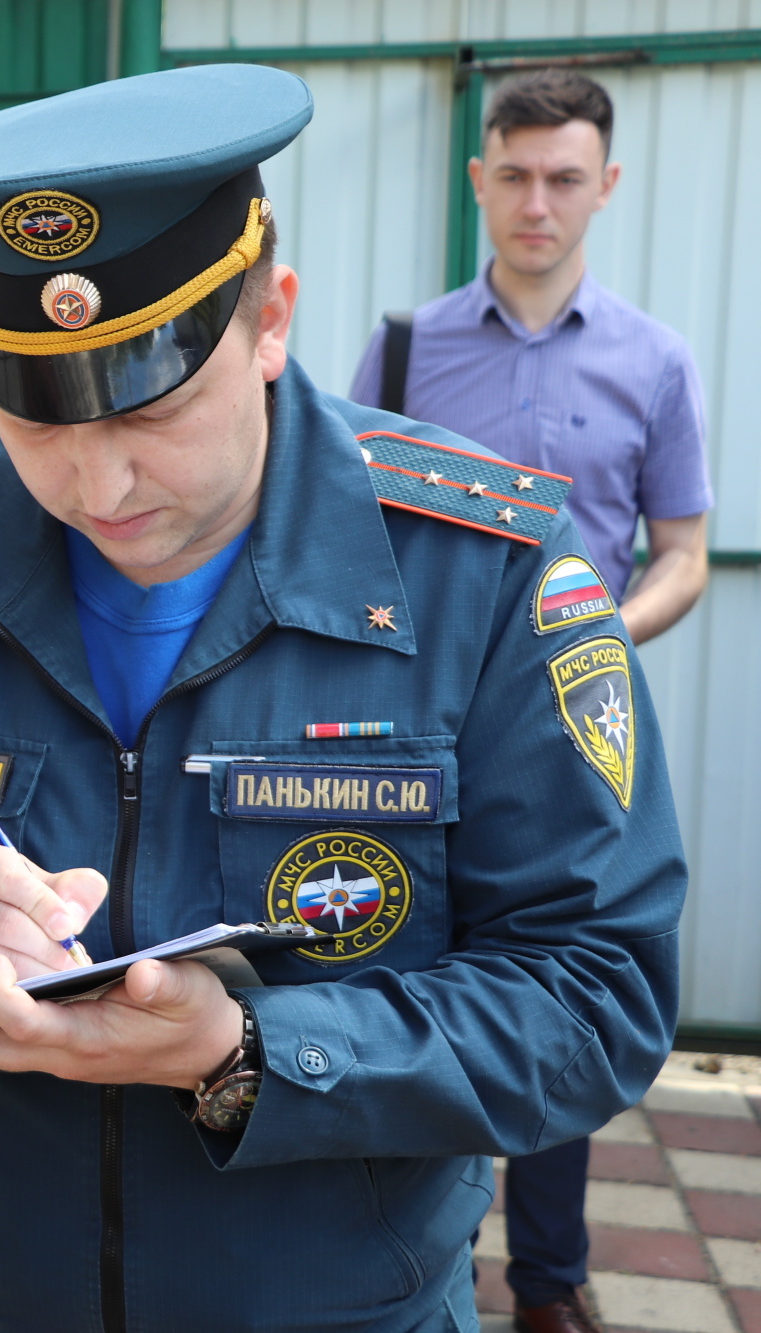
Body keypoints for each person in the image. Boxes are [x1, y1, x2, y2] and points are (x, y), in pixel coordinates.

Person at [0, 64, 686, 1332]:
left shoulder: (482, 573)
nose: (97, 482)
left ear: (269, 319)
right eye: (31, 413)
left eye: (153, 406)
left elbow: (596, 987)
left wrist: (245, 1055)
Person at [348, 69, 714, 1333]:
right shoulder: (401, 351)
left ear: (602, 186)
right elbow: (345, 532)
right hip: (414, 728)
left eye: (563, 178)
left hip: (569, 741)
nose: (535, 203)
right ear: (477, 180)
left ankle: (546, 1281)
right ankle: (394, 1243)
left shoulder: (653, 362)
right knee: (415, 969)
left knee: (557, 978)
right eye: (512, 175)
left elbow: (679, 548)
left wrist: (592, 638)